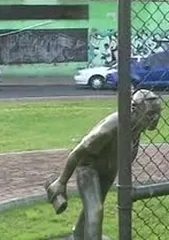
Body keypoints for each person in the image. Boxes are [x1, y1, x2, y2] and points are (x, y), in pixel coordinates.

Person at [45, 89, 162, 240]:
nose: (155, 119)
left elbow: (131, 150)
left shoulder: (137, 125)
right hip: (89, 168)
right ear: (134, 109)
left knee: (93, 206)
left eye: (158, 113)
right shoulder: (110, 128)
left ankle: (79, 235)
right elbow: (78, 151)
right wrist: (61, 182)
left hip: (109, 170)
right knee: (96, 210)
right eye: (151, 114)